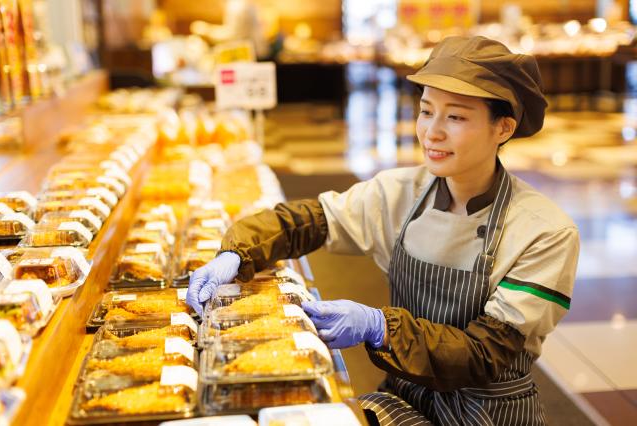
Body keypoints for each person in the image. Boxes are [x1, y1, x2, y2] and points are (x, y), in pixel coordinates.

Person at [187, 36, 579, 425]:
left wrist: (379, 327)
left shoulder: (544, 233)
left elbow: (483, 355)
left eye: (455, 117)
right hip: (405, 399)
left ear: (504, 128)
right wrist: (236, 253)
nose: (432, 132)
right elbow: (306, 222)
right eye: (426, 111)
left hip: (490, 413)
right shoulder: (399, 192)